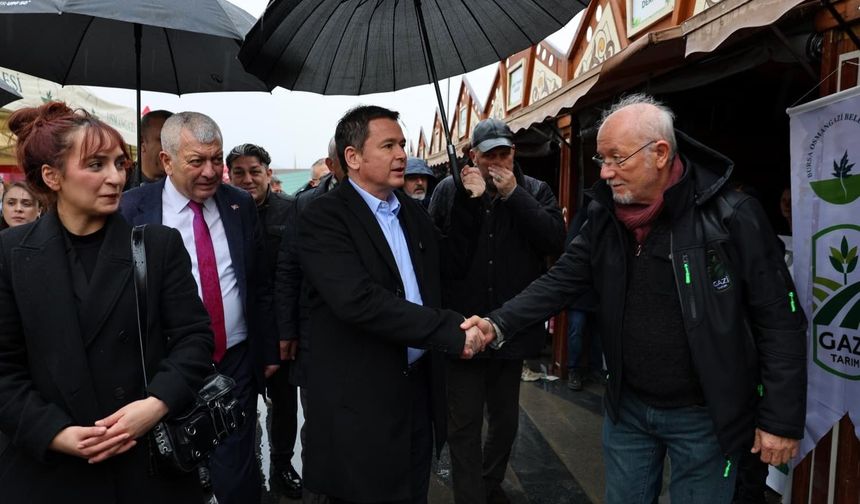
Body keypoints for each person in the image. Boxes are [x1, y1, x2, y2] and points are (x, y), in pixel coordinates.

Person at [463, 94, 807, 504]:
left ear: (660, 153)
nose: (605, 173)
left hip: (706, 417)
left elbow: (779, 319)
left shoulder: (731, 215)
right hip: (627, 410)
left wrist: (781, 419)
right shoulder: (604, 216)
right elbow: (559, 281)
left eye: (616, 158)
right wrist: (496, 323)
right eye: (601, 160)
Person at [0, 102, 214, 503]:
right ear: (52, 176)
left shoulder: (157, 245)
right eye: (96, 165)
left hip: (145, 465)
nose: (116, 177)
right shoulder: (10, 254)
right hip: (48, 470)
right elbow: (4, 369)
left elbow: (195, 340)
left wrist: (155, 405)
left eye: (120, 163)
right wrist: (54, 433)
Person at [297, 105, 490, 504]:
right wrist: (449, 331)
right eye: (388, 145)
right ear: (353, 158)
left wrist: (470, 205)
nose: (402, 153)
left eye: (401, 143)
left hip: (417, 387)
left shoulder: (409, 213)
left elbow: (449, 268)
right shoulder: (323, 218)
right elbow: (359, 301)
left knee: (412, 489)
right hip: (361, 396)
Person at [120, 112, 279, 504]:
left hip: (235, 360)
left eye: (217, 159)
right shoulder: (131, 211)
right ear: (166, 160)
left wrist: (269, 347)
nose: (211, 172)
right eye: (197, 161)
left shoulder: (239, 205)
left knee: (237, 466)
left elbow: (258, 283)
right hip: (169, 365)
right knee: (175, 465)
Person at [429, 117, 565, 504]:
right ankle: (470, 495)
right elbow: (438, 255)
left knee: (504, 422)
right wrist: (464, 199)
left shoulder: (535, 190)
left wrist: (515, 196)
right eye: (489, 155)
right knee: (465, 422)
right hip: (463, 326)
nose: (497, 162)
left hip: (512, 327)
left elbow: (554, 240)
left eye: (504, 153)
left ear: (513, 151)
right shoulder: (447, 190)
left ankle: (490, 481)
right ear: (473, 156)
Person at [226, 142, 302, 499]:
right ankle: (244, 468)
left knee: (284, 403)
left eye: (254, 171)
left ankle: (282, 463)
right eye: (238, 172)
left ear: (269, 174)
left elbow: (298, 274)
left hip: (283, 329)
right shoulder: (221, 209)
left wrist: (289, 329)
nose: (247, 179)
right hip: (239, 330)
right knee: (235, 405)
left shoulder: (292, 210)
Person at [275, 137, 343, 504]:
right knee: (317, 424)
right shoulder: (306, 204)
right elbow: (288, 269)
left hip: (362, 337)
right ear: (335, 164)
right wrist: (287, 330)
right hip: (314, 335)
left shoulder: (383, 201)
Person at [124, 109, 173, 190]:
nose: (173, 148)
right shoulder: (121, 183)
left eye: (176, 142)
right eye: (164, 140)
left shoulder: (185, 188)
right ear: (142, 142)